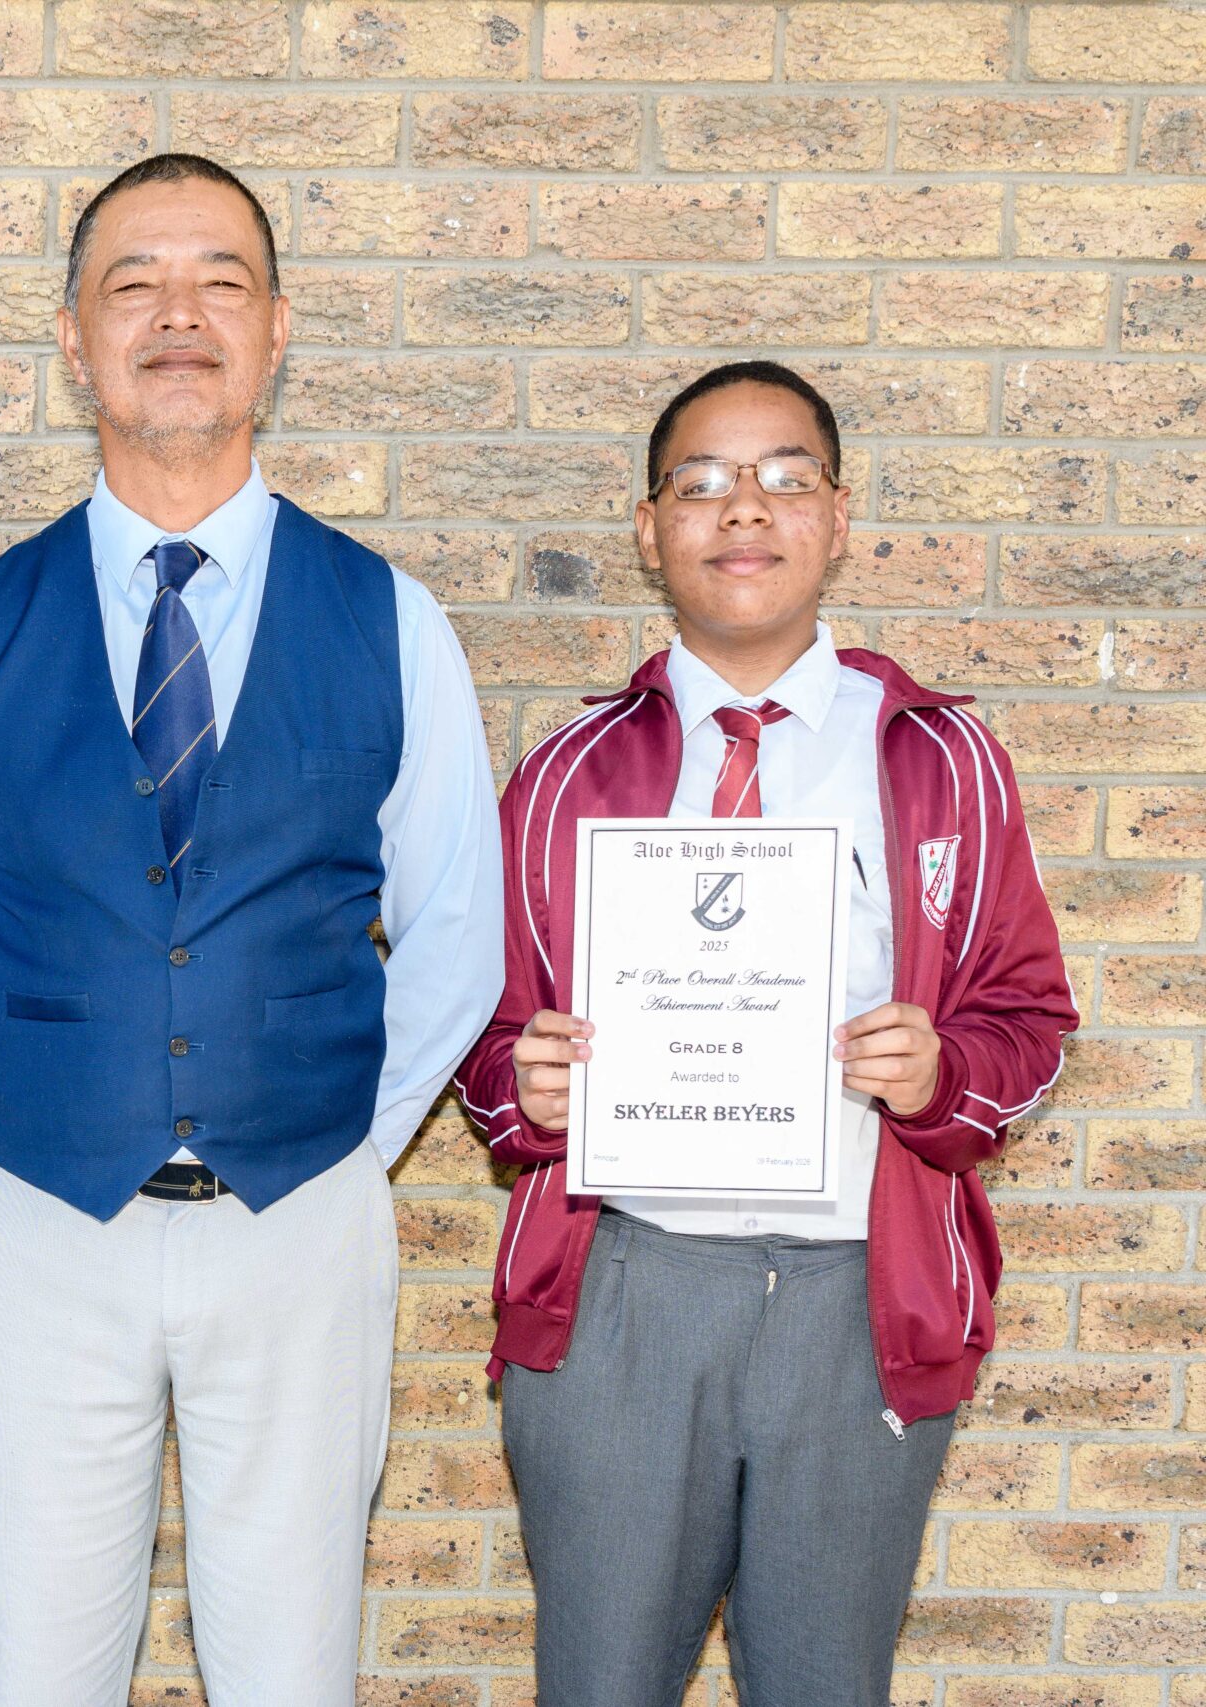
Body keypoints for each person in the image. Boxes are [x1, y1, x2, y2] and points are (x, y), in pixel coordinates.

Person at [0, 153, 503, 1706]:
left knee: (291, 1671)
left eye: (220, 280)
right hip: (43, 1227)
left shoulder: (393, 620)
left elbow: (456, 935)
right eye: (133, 283)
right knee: (39, 1673)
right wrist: (31, 1145)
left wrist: (333, 1151)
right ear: (73, 338)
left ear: (276, 329)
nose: (178, 314)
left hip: (300, 1226)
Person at [456, 360, 1077, 1705]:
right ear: (650, 528)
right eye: (703, 483)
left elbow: (1029, 1017)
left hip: (859, 1290)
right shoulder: (566, 772)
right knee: (599, 1682)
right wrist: (524, 1084)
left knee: (824, 1685)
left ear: (838, 516)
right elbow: (483, 1028)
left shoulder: (941, 758)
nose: (745, 509)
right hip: (623, 1290)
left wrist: (942, 1072)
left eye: (785, 478)